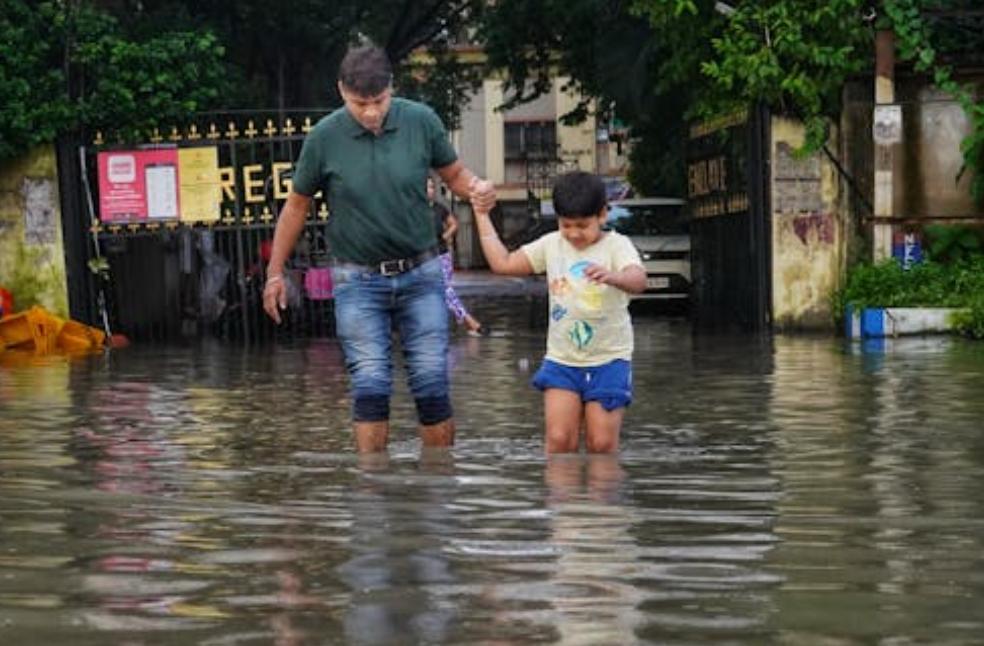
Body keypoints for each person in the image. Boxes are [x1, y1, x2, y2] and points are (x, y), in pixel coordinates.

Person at [263, 44, 496, 453]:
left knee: (431, 382)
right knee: (370, 384)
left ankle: (438, 487)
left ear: (392, 89)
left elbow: (456, 175)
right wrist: (274, 273)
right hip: (357, 280)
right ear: (341, 92)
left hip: (421, 274)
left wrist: (479, 188)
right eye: (360, 104)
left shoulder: (421, 121)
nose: (371, 113)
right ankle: (373, 491)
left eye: (379, 102)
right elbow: (296, 207)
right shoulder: (323, 138)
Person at [472, 171, 646, 453]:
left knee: (601, 444)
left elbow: (639, 281)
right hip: (562, 361)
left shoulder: (617, 245)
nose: (574, 233)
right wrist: (481, 215)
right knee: (559, 441)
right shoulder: (552, 244)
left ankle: (604, 497)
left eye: (583, 225)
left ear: (602, 215)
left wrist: (614, 276)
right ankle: (562, 498)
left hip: (609, 360)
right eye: (566, 225)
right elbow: (503, 263)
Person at [428, 176, 484, 336]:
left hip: (441, 255)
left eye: (432, 187)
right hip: (424, 258)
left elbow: (454, 224)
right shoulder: (415, 210)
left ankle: (469, 321)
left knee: (445, 289)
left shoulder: (440, 208)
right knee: (433, 292)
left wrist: (445, 236)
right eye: (427, 187)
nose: (430, 191)